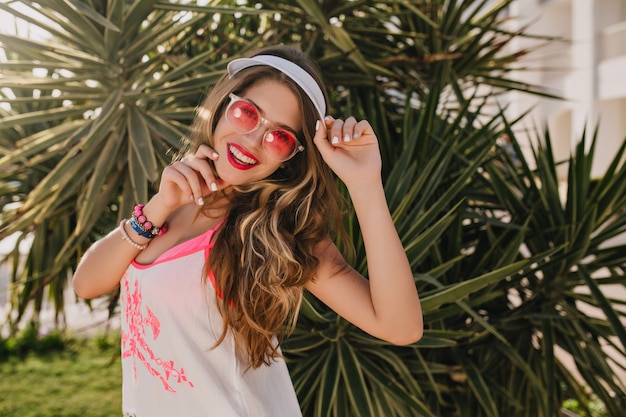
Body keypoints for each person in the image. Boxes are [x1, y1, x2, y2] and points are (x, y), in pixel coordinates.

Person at [72, 45, 423, 417]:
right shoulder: (173, 202)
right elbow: (86, 284)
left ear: (293, 157)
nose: (254, 140)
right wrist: (159, 206)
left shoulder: (281, 233)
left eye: (281, 137)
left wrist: (365, 184)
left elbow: (401, 327)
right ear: (224, 104)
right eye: (247, 113)